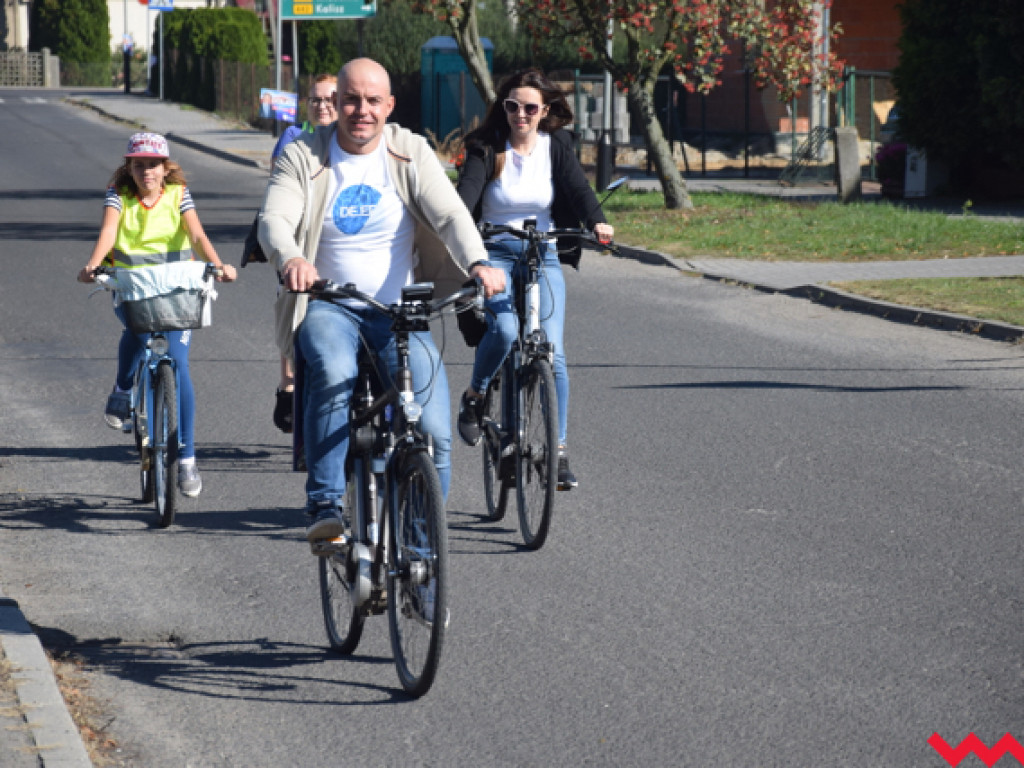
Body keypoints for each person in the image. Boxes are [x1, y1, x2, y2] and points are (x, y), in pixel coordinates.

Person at [258, 58, 505, 545]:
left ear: (389, 106)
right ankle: (326, 503)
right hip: (329, 305)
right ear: (335, 103)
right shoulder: (304, 154)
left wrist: (478, 261)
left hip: (398, 313)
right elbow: (275, 219)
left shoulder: (409, 151)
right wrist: (291, 258)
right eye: (351, 99)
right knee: (333, 371)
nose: (361, 110)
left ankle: (420, 552)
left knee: (433, 431)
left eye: (373, 101)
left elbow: (451, 214)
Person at [454, 68, 614, 492]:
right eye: (512, 106)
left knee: (553, 352)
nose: (520, 114)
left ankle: (557, 451)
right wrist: (457, 234)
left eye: (529, 107)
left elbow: (578, 189)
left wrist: (597, 221)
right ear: (503, 108)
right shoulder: (486, 146)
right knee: (505, 330)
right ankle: (475, 396)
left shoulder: (556, 144)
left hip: (542, 252)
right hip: (495, 254)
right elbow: (466, 195)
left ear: (544, 110)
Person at [78, 132, 237, 497]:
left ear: (166, 168)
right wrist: (93, 265)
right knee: (136, 332)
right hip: (134, 288)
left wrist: (218, 265)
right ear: (129, 167)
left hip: (177, 291)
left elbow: (197, 235)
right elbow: (109, 231)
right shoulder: (118, 195)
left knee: (179, 364)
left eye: (153, 165)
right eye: (139, 165)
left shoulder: (178, 194)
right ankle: (122, 388)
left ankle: (187, 458)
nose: (146, 171)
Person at [269, 73, 339, 434]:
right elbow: (278, 189)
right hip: (297, 242)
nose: (322, 106)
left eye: (330, 99)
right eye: (316, 100)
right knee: (293, 304)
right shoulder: (293, 138)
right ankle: (289, 385)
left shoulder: (352, 143)